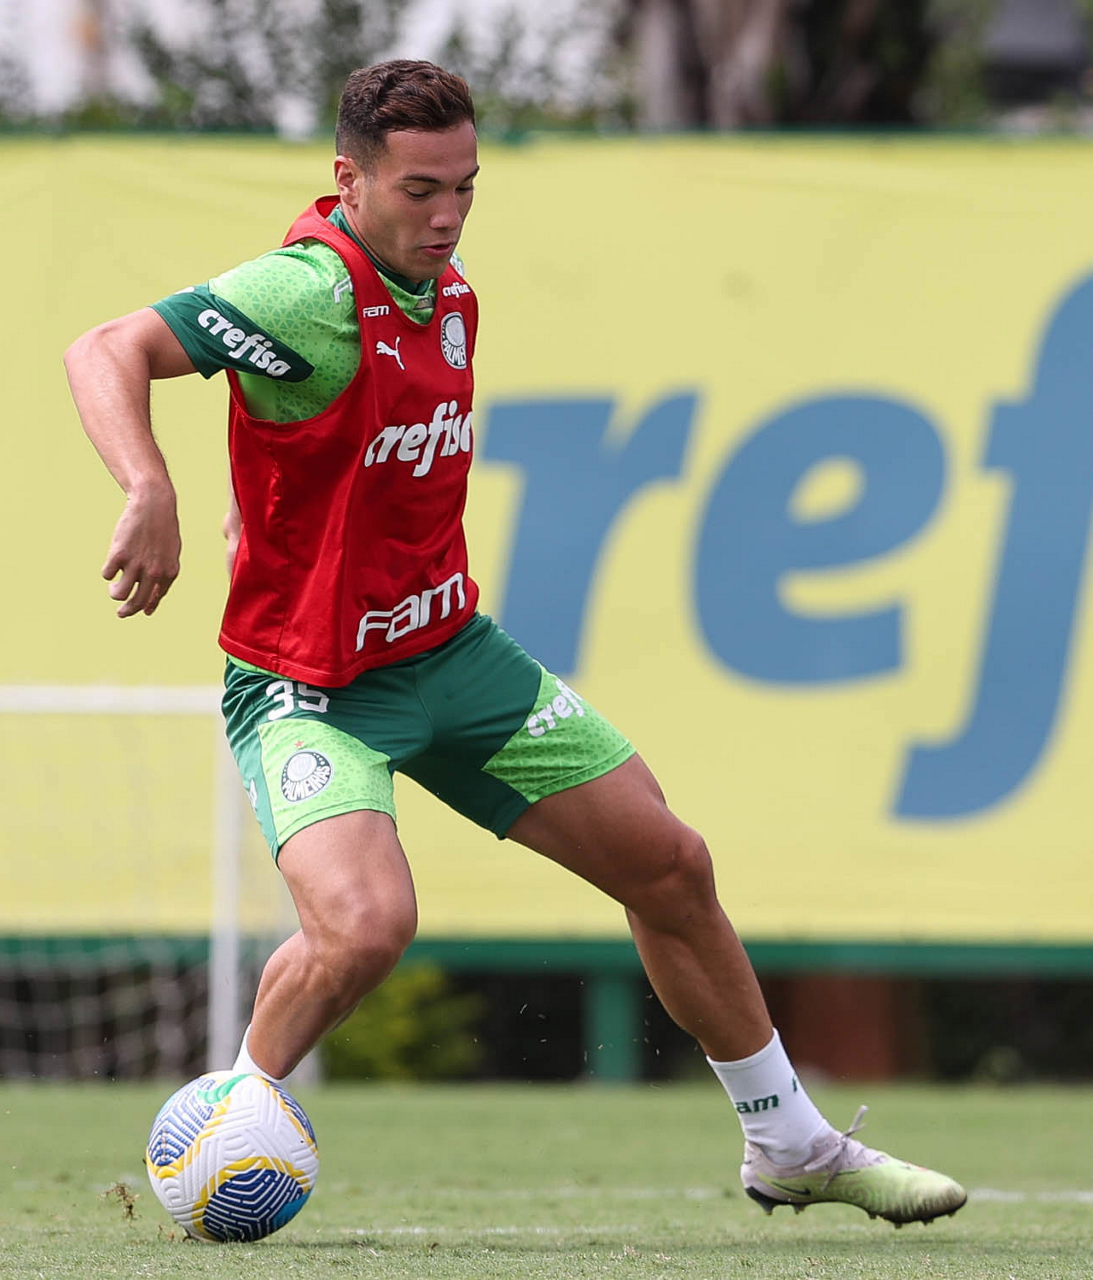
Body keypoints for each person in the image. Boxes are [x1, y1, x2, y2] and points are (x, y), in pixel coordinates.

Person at [64, 59, 965, 1227]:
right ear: (349, 180)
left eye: (465, 189)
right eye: (418, 190)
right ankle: (229, 1124)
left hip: (450, 652)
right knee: (367, 927)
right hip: (310, 683)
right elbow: (105, 348)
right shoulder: (303, 291)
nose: (446, 216)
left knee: (670, 864)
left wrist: (269, 491)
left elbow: (319, 446)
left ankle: (790, 1143)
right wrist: (149, 486)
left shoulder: (445, 294)